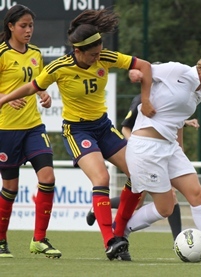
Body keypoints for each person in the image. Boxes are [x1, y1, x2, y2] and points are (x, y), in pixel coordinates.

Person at [0, 9, 154, 261]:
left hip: (103, 127)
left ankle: (118, 233)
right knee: (101, 177)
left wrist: (145, 99)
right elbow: (32, 85)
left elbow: (145, 66)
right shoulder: (60, 67)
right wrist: (4, 99)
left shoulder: (104, 56)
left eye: (99, 53)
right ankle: (110, 241)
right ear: (78, 52)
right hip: (77, 129)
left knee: (139, 175)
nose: (97, 58)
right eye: (92, 54)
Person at [115, 46, 201, 264]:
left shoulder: (199, 93)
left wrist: (180, 152)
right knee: (166, 208)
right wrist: (139, 85)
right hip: (146, 148)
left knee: (198, 194)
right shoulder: (178, 71)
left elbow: (177, 123)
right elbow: (145, 68)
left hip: (170, 148)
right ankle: (120, 232)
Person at [86, 93, 200, 242]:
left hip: (160, 155)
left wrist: (183, 123)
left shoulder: (170, 99)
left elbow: (165, 124)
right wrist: (136, 147)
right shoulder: (141, 99)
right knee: (142, 202)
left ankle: (177, 241)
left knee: (169, 197)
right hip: (142, 154)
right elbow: (125, 129)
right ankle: (105, 215)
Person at [0, 4, 61, 259]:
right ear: (11, 27)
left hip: (33, 126)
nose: (28, 31)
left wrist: (44, 94)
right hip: (7, 129)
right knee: (10, 187)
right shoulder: (1, 53)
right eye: (23, 26)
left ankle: (39, 239)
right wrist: (5, 96)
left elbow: (37, 84)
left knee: (48, 177)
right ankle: (1, 241)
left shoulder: (36, 53)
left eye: (31, 26)